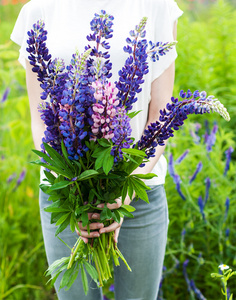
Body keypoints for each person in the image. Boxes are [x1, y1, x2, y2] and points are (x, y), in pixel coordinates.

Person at [11, 0, 183, 299]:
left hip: (139, 190)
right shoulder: (37, 10)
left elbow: (159, 115)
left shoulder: (158, 5)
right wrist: (75, 192)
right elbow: (42, 120)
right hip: (66, 192)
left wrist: (122, 192)